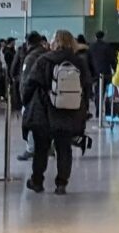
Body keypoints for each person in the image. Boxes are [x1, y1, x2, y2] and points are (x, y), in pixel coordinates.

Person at [19, 29, 88, 192]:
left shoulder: (44, 60)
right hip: (68, 112)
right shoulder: (78, 62)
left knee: (41, 149)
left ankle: (37, 181)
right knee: (64, 148)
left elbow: (31, 83)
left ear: (55, 42)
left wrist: (25, 101)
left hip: (43, 111)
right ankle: (61, 183)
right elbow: (86, 87)